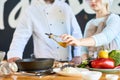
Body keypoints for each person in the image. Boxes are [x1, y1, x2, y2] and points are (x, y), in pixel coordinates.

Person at [7, 0, 83, 64]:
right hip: (43, 64)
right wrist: (15, 55)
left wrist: (78, 55)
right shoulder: (31, 11)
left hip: (67, 64)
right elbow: (20, 37)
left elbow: (76, 33)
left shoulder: (65, 7)